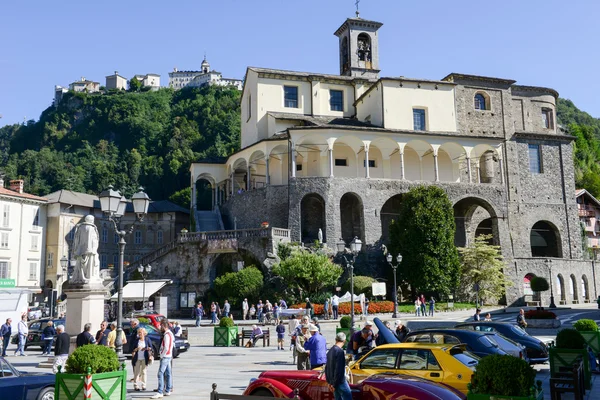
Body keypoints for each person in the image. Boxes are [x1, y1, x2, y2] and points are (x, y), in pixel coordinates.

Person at [152, 320, 174, 399]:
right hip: (169, 355)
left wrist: (162, 354)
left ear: (164, 326)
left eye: (160, 326)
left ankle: (160, 391)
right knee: (168, 373)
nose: (160, 327)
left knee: (160, 373)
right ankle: (168, 389)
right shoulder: (170, 334)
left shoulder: (166, 335)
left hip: (165, 356)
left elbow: (166, 347)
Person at [326, 332, 351, 400]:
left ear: (335, 339)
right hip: (340, 381)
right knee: (348, 396)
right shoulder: (340, 352)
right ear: (344, 341)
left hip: (333, 382)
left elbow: (327, 368)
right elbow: (338, 369)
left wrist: (330, 382)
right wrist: (334, 384)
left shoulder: (330, 351)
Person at [132, 327, 153, 392]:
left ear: (144, 333)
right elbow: (133, 349)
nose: (140, 334)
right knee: (136, 372)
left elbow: (151, 348)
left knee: (144, 372)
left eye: (141, 332)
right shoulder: (136, 340)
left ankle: (144, 385)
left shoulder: (147, 339)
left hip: (145, 357)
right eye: (139, 332)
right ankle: (136, 385)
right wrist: (137, 349)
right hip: (137, 358)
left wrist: (147, 349)